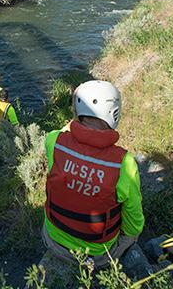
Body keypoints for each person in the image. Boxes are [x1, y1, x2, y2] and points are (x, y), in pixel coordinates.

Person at [42, 80, 144, 267]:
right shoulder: (125, 163)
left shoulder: (53, 141)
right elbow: (133, 223)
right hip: (97, 254)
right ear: (114, 113)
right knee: (134, 229)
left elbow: (66, 131)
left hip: (53, 240)